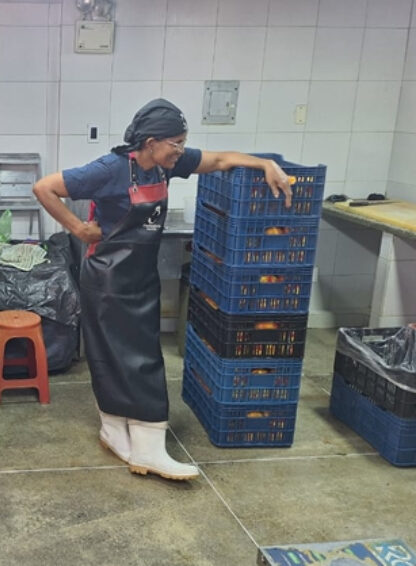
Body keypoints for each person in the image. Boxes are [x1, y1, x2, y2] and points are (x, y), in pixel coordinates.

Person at [33, 98, 292, 481]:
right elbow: (45, 187)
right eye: (176, 143)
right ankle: (145, 446)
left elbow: (220, 160)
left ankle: (117, 433)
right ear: (151, 142)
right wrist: (80, 229)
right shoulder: (110, 169)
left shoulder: (167, 165)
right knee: (123, 359)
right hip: (107, 281)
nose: (182, 151)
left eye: (183, 143)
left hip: (141, 276)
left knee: (133, 356)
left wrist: (265, 163)